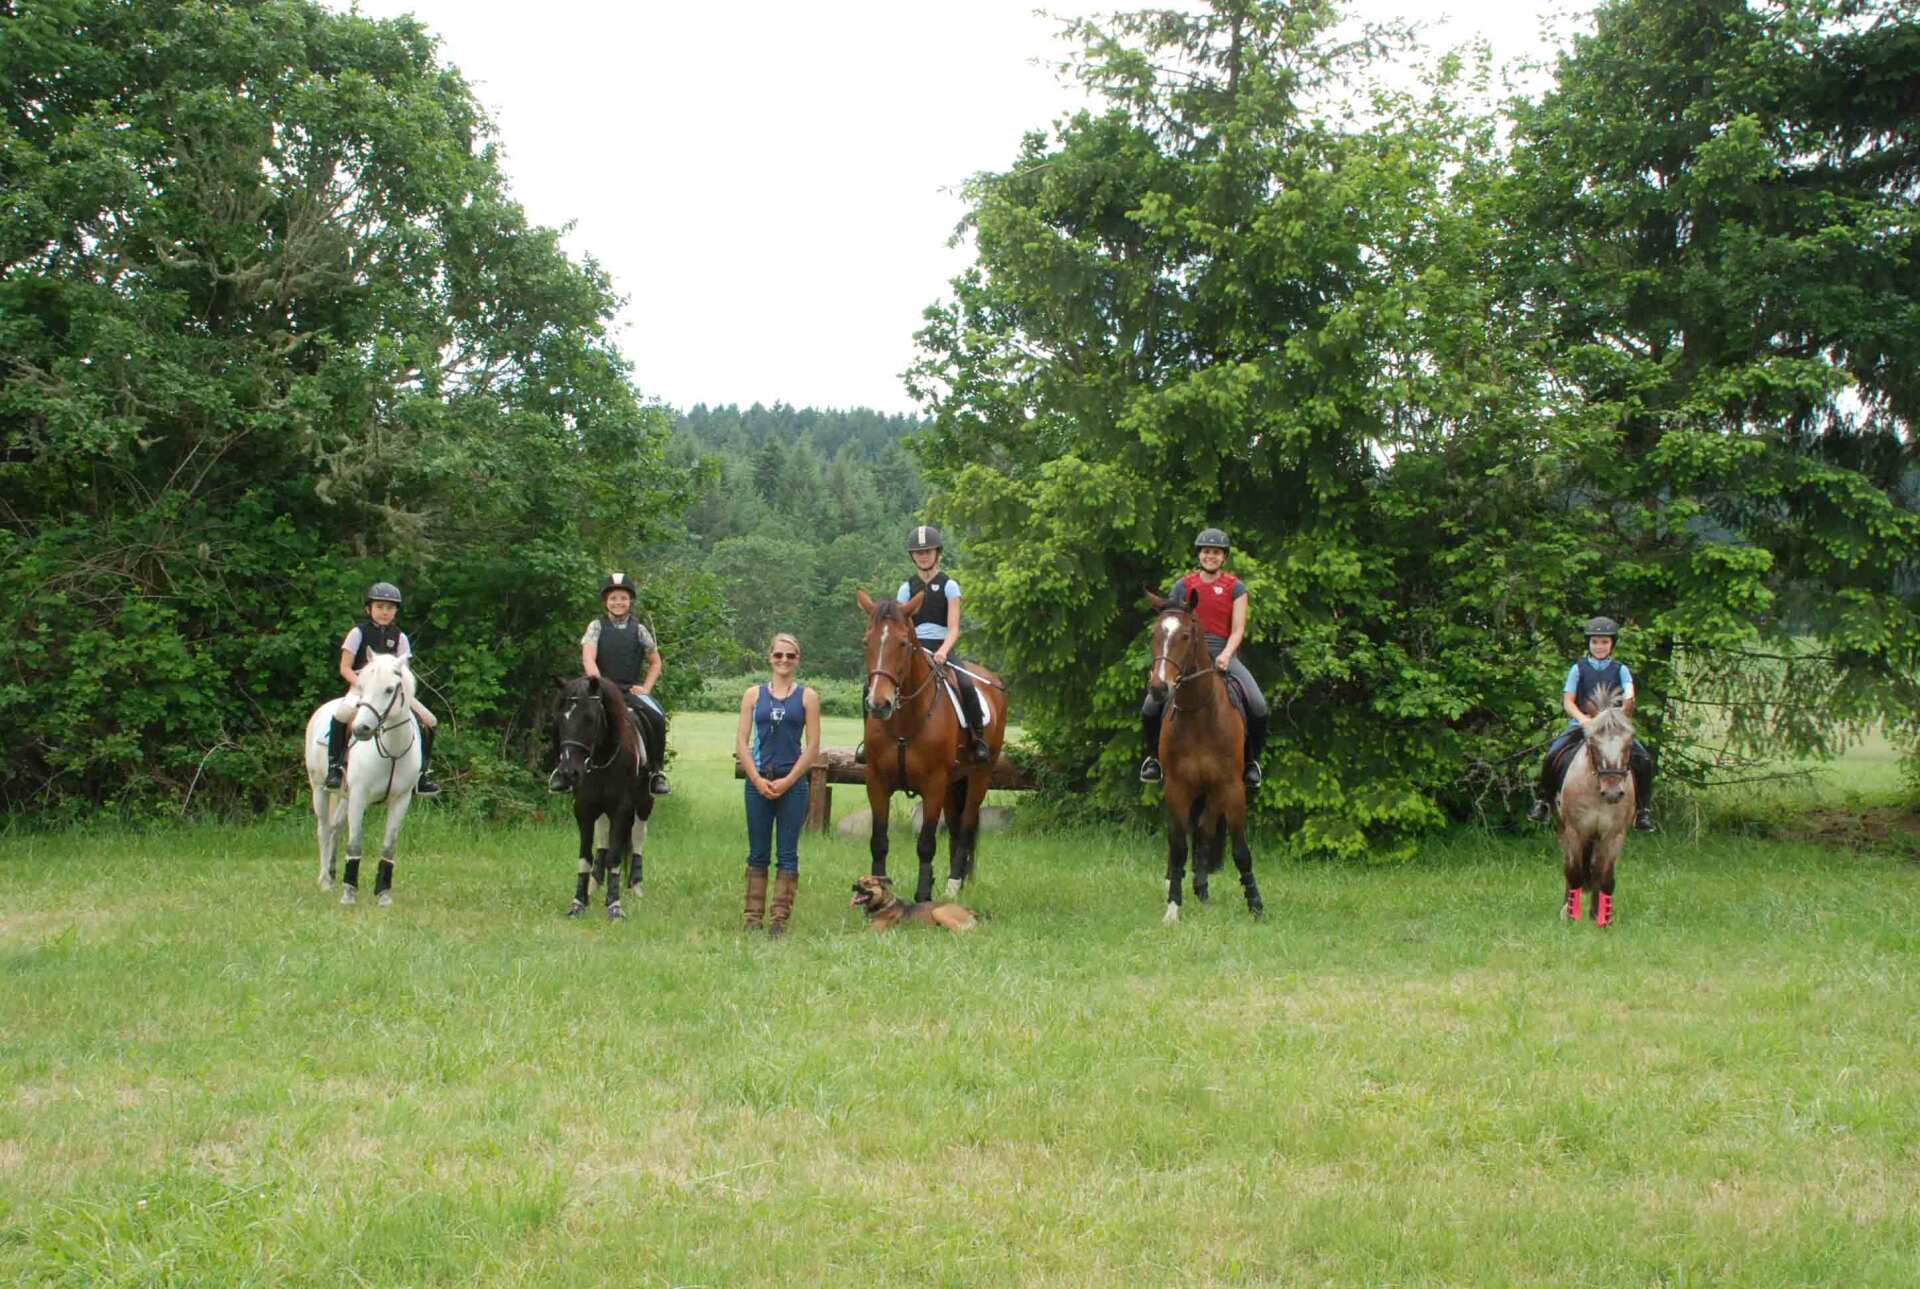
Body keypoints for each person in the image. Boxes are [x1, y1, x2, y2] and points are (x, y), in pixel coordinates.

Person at [1140, 527, 1268, 788]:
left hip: (1222, 651)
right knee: (1150, 707)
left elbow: (1238, 628)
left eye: (1216, 552)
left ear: (1224, 557)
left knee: (1258, 705)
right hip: (1186, 654)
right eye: (1206, 551)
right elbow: (1172, 622)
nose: (1211, 556)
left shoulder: (1236, 587)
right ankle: (1154, 760)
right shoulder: (1183, 585)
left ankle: (1251, 762)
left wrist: (1226, 654)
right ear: (1199, 554)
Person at [858, 524, 991, 764]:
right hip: (911, 646)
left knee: (966, 684)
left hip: (942, 646)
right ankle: (866, 741)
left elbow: (954, 628)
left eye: (928, 551)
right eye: (919, 552)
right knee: (869, 688)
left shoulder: (950, 586)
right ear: (912, 556)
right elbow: (898, 624)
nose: (923, 556)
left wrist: (942, 651)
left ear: (937, 553)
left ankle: (977, 738)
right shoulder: (906, 587)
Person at [1527, 616, 1657, 831]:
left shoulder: (1621, 669)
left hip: (1612, 727)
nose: (1599, 646)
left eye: (1604, 642)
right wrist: (1584, 720)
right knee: (1553, 753)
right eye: (1595, 641)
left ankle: (1643, 811)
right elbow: (1568, 701)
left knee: (1643, 758)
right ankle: (1543, 802)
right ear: (1588, 643)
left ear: (1612, 644)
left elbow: (1629, 696)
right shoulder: (1577, 669)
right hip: (1582, 724)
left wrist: (1623, 710)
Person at [549, 572, 672, 796]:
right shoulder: (596, 626)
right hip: (599, 691)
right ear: (606, 601)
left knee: (657, 716)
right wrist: (599, 683)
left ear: (630, 601)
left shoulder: (639, 629)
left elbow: (655, 662)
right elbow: (588, 657)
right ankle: (560, 770)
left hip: (629, 690)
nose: (618, 602)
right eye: (613, 598)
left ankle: (656, 772)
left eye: (623, 598)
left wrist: (646, 688)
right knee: (565, 717)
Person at [736, 632, 821, 938]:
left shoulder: (808, 697)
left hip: (792, 783)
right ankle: (752, 917)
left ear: (798, 660)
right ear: (770, 658)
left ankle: (779, 920)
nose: (784, 661)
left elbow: (812, 747)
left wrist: (788, 781)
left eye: (790, 656)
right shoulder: (753, 695)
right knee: (757, 852)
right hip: (758, 780)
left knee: (788, 853)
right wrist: (756, 779)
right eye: (778, 655)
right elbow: (742, 743)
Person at [324, 582, 442, 796]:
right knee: (341, 715)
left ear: (395, 611)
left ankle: (422, 774)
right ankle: (334, 769)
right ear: (369, 609)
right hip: (361, 689)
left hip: (391, 693)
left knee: (429, 720)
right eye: (380, 607)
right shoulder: (358, 633)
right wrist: (363, 685)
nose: (385, 612)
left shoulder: (400, 637)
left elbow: (403, 672)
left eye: (390, 608)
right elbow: (344, 667)